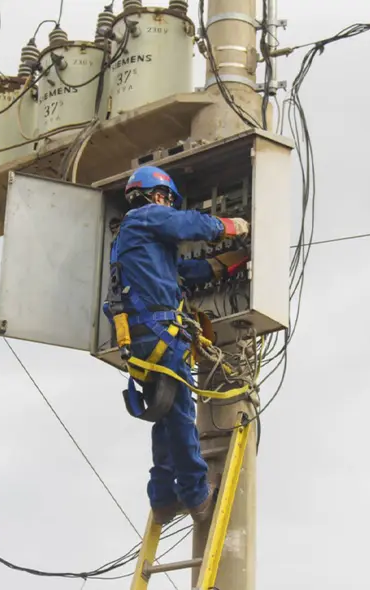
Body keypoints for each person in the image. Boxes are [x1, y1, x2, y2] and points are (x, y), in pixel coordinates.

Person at [107, 165, 249, 526]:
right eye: (168, 201)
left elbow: (183, 275)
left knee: (167, 414)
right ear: (158, 196)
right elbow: (189, 226)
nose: (168, 206)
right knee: (182, 416)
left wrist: (227, 263)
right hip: (160, 336)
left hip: (145, 337)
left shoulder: (139, 245)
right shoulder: (144, 218)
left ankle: (163, 499)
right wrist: (231, 226)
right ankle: (196, 495)